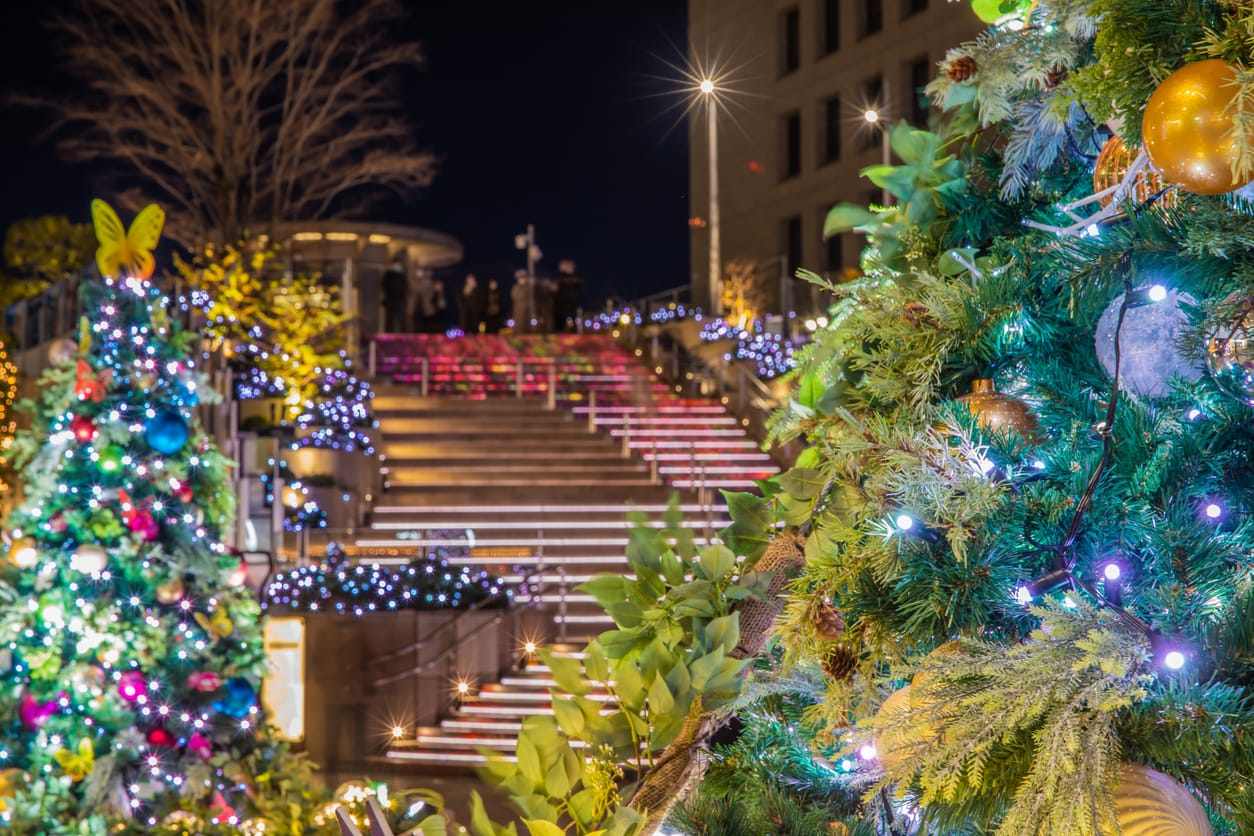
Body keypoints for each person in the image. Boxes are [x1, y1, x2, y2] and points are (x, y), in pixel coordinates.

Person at [381, 256, 408, 333]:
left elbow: (405, 286)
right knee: (390, 318)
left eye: (398, 264)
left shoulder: (402, 275)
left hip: (401, 299)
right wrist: (387, 296)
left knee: (401, 318)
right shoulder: (388, 275)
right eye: (395, 264)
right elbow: (384, 286)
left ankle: (403, 334)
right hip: (391, 299)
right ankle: (388, 334)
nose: (397, 265)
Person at [555, 259, 583, 332]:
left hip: (571, 300)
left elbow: (579, 281)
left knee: (572, 315)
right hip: (560, 301)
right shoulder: (560, 277)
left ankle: (573, 330)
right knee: (560, 317)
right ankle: (559, 330)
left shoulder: (576, 276)